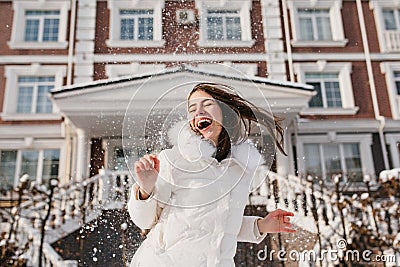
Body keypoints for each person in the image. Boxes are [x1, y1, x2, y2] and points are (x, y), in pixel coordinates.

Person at [128, 83, 296, 267]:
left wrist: (261, 226)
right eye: (192, 108)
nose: (198, 111)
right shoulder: (174, 160)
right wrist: (146, 188)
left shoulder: (240, 169)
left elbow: (218, 223)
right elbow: (145, 221)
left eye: (207, 105)